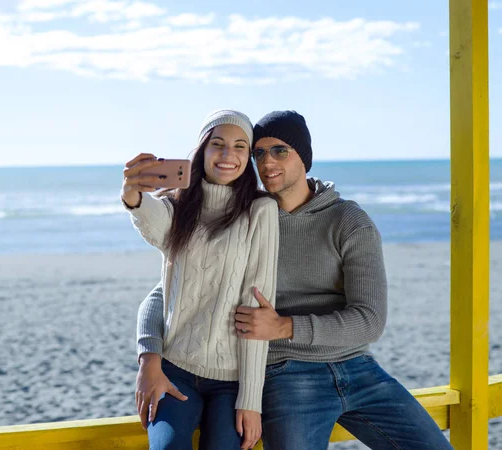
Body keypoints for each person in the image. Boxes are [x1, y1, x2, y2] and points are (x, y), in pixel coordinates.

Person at [137, 111, 454, 449]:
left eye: (280, 151)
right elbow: (173, 291)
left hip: (358, 368)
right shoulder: (247, 219)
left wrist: (285, 326)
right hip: (285, 373)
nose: (267, 162)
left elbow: (371, 321)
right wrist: (149, 356)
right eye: (258, 153)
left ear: (304, 156)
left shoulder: (348, 220)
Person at [121, 109, 279, 450]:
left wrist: (251, 400)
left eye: (240, 147)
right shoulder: (178, 206)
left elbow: (256, 313)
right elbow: (152, 221)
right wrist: (132, 194)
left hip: (231, 382)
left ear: (247, 157)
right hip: (174, 371)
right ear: (202, 151)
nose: (227, 155)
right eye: (217, 144)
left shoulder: (260, 211)